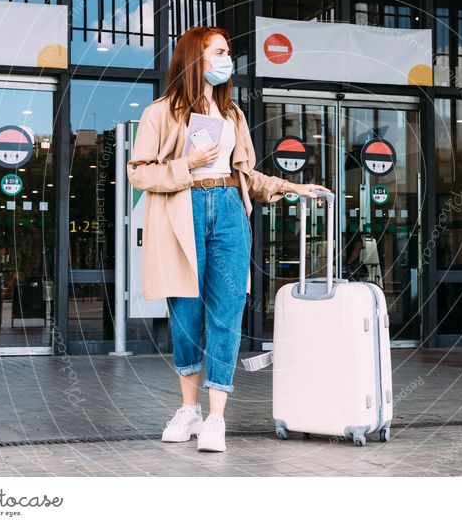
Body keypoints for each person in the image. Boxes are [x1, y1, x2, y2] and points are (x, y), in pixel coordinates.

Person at [126, 26, 330, 452]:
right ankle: (189, 410)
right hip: (185, 208)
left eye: (227, 51)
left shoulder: (232, 114)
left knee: (227, 311)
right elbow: (139, 172)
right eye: (218, 51)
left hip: (229, 212)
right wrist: (186, 163)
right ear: (193, 58)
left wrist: (292, 188)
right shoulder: (160, 113)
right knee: (185, 314)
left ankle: (216, 417)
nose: (226, 59)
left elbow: (246, 176)